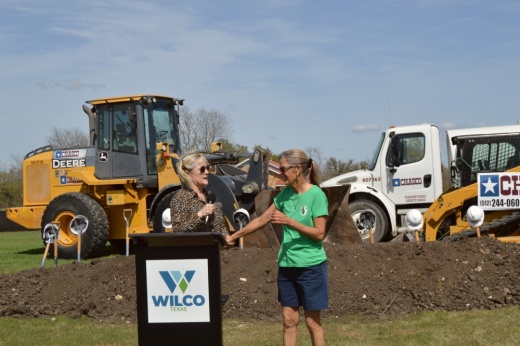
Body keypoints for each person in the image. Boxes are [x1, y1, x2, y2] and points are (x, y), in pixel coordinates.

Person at [226, 149, 329, 346]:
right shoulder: (284, 195)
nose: (280, 173)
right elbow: (262, 220)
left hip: (311, 268)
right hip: (287, 267)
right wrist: (234, 236)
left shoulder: (316, 195)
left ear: (297, 169)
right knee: (289, 320)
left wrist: (290, 222)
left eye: (283, 169)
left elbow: (319, 233)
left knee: (311, 322)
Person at [169, 152, 229, 237]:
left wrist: (226, 236)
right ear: (187, 172)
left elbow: (220, 225)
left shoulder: (210, 197)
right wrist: (200, 214)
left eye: (207, 168)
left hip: (213, 249)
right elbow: (178, 230)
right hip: (195, 249)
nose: (207, 172)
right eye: (202, 169)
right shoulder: (180, 198)